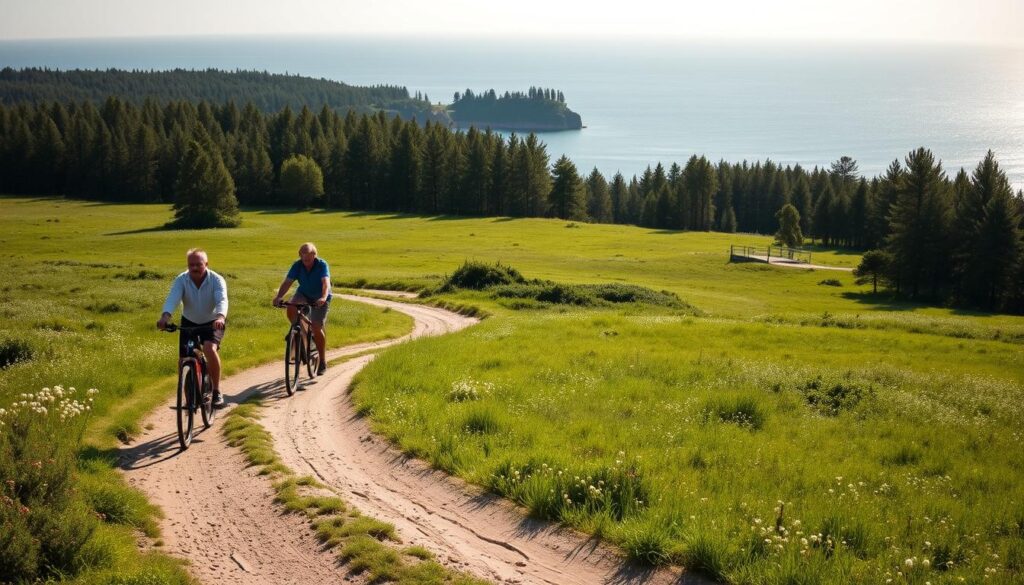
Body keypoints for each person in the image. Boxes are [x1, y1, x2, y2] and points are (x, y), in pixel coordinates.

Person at [157, 248, 228, 407]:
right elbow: (173, 298)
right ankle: (189, 398)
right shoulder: (182, 279)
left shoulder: (216, 280)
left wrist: (221, 316)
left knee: (209, 349)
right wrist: (165, 317)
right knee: (184, 358)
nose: (195, 268)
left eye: (199, 264)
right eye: (191, 265)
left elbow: (221, 300)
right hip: (189, 322)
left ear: (206, 264)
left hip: (213, 322)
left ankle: (216, 391)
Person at [272, 242, 331, 376]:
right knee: (291, 306)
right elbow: (288, 282)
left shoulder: (322, 265)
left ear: (314, 255)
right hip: (303, 293)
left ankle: (322, 361)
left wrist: (323, 297)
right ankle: (298, 331)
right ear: (300, 256)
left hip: (320, 297)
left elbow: (325, 283)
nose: (306, 262)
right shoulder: (297, 265)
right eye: (304, 259)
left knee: (316, 326)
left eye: (309, 259)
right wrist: (279, 296)